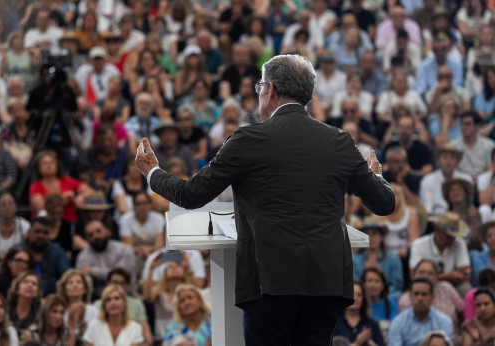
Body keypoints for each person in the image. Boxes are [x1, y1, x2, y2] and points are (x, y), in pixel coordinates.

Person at [135, 54, 395, 344]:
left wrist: (152, 172)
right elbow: (385, 204)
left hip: (271, 282)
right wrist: (377, 176)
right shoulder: (340, 140)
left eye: (259, 87)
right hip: (327, 282)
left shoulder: (249, 139)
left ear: (269, 89)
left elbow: (191, 194)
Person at [409, 212, 472, 294]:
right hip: (425, 286)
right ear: (437, 230)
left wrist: (436, 277)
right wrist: (447, 277)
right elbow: (413, 276)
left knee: (466, 288)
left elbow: (467, 276)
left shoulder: (459, 244)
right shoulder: (419, 244)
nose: (452, 239)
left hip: (452, 287)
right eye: (448, 235)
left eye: (453, 236)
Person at [92, 268, 153, 345]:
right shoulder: (96, 306)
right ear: (108, 283)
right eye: (115, 282)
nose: (118, 286)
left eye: (122, 283)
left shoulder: (135, 324)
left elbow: (145, 331)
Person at [75, 220, 135, 298]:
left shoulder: (123, 249)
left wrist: (92, 271)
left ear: (108, 231)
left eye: (98, 231)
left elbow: (119, 275)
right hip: (96, 298)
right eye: (90, 235)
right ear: (87, 239)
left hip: (124, 296)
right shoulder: (83, 256)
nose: (95, 236)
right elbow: (81, 277)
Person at [387, 278, 454, 346]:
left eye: (424, 294)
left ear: (432, 297)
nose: (420, 298)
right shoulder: (398, 322)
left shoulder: (444, 321)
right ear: (410, 296)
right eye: (416, 294)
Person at [29, 150, 92, 223]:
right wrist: (62, 199)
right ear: (38, 167)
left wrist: (80, 197)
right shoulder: (35, 186)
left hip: (69, 223)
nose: (48, 166)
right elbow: (40, 207)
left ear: (57, 165)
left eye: (51, 163)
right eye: (44, 163)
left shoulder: (67, 180)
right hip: (47, 224)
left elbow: (90, 191)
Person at [399, 259, 465, 325]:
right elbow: (406, 325)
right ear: (414, 276)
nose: (426, 276)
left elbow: (463, 309)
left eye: (430, 273)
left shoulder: (446, 288)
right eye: (421, 272)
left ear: (437, 276)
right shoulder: (406, 298)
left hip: (452, 333)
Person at [143, 260, 196, 342]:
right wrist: (151, 269)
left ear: (184, 271)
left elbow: (197, 292)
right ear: (165, 274)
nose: (174, 268)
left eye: (178, 265)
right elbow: (147, 296)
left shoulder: (189, 294)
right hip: (162, 339)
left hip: (186, 339)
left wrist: (188, 268)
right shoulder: (159, 292)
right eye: (170, 267)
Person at [17, 217, 70, 295]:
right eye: (37, 231)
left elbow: (67, 274)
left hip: (52, 296)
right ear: (29, 232)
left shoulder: (56, 250)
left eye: (45, 233)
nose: (41, 236)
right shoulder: (18, 250)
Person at [352, 221, 404, 300]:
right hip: (361, 299)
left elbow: (397, 285)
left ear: (382, 237)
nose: (370, 237)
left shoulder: (393, 258)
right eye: (366, 234)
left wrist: (382, 297)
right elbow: (354, 284)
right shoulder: (354, 259)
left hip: (387, 298)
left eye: (374, 233)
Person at [420, 144, 473, 216]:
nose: (448, 162)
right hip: (436, 219)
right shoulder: (427, 181)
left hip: (461, 217)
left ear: (457, 162)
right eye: (444, 157)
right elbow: (427, 209)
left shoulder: (467, 179)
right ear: (438, 160)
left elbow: (468, 206)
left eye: (452, 158)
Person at [332, 281, 385, 346]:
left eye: (359, 295)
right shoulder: (334, 324)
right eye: (352, 294)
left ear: (363, 299)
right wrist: (357, 343)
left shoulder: (372, 324)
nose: (355, 298)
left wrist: (369, 342)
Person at [119, 192, 165, 263]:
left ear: (150, 204)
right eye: (138, 204)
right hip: (133, 255)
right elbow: (128, 247)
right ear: (134, 206)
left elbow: (160, 245)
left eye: (145, 203)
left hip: (153, 254)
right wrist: (143, 250)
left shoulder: (158, 218)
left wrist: (148, 250)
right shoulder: (125, 220)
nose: (142, 206)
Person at [56, 269, 99, 343]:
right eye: (70, 283)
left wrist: (82, 323)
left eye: (79, 282)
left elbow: (97, 337)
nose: (75, 285)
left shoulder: (93, 310)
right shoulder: (58, 311)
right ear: (64, 289)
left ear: (85, 288)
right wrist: (70, 322)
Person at [452, 111, 495, 179]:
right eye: (462, 124)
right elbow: (453, 170)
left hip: (483, 183)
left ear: (477, 126)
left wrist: (479, 180)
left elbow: (491, 169)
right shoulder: (453, 146)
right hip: (461, 183)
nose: (464, 127)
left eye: (468, 124)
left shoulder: (489, 145)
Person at [0, 192, 31, 257]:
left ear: (15, 208)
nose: (7, 207)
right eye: (3, 205)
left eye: (10, 204)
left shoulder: (25, 226)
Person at [361, 267, 398, 336]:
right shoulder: (358, 304)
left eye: (377, 281)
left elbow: (395, 328)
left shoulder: (391, 304)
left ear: (383, 286)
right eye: (369, 280)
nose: (373, 285)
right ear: (363, 284)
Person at [6, 272, 43, 338]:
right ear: (17, 288)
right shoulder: (5, 309)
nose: (30, 285)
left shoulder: (41, 313)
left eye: (34, 283)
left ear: (37, 292)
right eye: (25, 282)